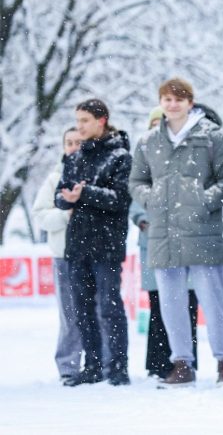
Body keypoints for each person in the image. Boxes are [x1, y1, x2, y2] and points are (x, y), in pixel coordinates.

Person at [129, 78, 223, 388]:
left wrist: (204, 199)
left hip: (201, 230)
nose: (172, 104)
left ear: (190, 102)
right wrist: (152, 198)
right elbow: (136, 181)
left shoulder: (212, 137)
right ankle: (182, 363)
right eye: (166, 99)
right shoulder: (149, 141)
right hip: (163, 233)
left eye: (178, 99)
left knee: (212, 301)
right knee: (171, 302)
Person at [55, 99, 132, 387]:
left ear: (101, 120)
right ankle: (93, 365)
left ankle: (118, 367)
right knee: (83, 307)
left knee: (110, 307)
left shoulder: (120, 157)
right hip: (77, 244)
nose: (80, 127)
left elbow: (120, 199)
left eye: (85, 120)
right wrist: (67, 198)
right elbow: (59, 195)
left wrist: (84, 195)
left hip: (107, 244)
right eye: (77, 120)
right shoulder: (74, 157)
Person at [129, 106, 199, 380]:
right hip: (154, 241)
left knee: (186, 304)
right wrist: (146, 220)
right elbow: (136, 197)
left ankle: (186, 362)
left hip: (185, 241)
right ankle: (159, 363)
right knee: (159, 305)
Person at [33, 127, 104, 384]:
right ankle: (68, 365)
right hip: (64, 255)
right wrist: (65, 215)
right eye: (69, 142)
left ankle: (102, 363)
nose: (74, 147)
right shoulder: (55, 178)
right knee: (70, 313)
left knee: (99, 310)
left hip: (95, 254)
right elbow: (40, 214)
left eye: (79, 142)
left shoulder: (99, 174)